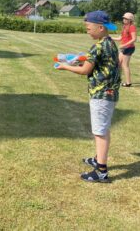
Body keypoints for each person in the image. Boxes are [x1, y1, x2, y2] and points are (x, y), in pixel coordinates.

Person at [56, 10, 120, 182]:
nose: (87, 30)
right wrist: (81, 59)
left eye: (88, 27)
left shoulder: (98, 46)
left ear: (100, 27)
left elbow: (85, 70)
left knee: (100, 132)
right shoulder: (110, 43)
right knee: (103, 129)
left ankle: (101, 171)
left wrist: (65, 66)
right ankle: (98, 159)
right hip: (110, 93)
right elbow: (98, 62)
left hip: (101, 94)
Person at [112, 12, 137, 87]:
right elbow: (121, 38)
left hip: (129, 48)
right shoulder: (124, 26)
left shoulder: (132, 27)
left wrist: (124, 45)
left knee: (125, 65)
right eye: (124, 18)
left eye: (126, 18)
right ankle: (117, 80)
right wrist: (110, 38)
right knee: (118, 64)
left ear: (130, 20)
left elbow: (134, 39)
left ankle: (128, 83)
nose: (124, 19)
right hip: (124, 48)